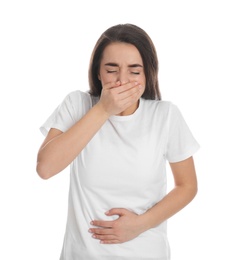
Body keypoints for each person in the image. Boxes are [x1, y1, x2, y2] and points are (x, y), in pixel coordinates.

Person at [36, 23, 200, 260]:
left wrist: (140, 224)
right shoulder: (77, 105)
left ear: (147, 74)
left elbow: (187, 186)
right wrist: (103, 109)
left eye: (134, 71)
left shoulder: (165, 115)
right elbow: (45, 168)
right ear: (98, 73)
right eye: (112, 70)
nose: (122, 80)